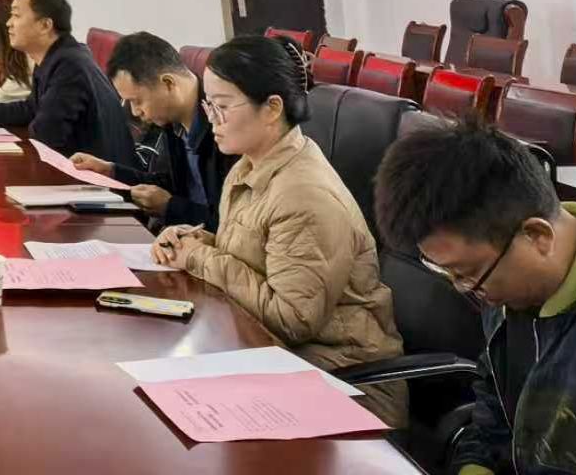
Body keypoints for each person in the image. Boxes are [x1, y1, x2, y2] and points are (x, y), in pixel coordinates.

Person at [152, 35, 406, 426]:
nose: (211, 120)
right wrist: (195, 241)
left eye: (222, 107)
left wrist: (200, 258)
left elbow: (292, 319)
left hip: (344, 382)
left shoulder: (304, 196)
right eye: (208, 105)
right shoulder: (248, 165)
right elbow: (256, 257)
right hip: (278, 358)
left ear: (272, 108)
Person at [376, 115, 576, 474]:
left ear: (537, 236)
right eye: (449, 273)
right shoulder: (505, 291)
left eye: (468, 273)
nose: (465, 289)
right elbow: (493, 412)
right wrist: (474, 465)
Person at [0, 0, 136, 165]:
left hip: (101, 181)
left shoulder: (69, 66)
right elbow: (31, 108)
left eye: (16, 16)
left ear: (45, 25)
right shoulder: (56, 56)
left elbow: (46, 135)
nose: (8, 23)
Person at [72, 32, 233, 231]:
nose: (135, 112)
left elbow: (231, 223)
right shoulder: (173, 121)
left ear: (168, 83)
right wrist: (110, 171)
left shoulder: (224, 126)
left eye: (137, 101)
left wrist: (170, 207)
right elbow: (170, 184)